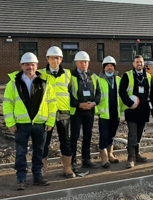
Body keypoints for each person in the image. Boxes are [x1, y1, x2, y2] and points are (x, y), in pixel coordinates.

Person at [3, 53, 57, 190]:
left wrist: (50, 122)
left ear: (37, 66)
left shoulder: (45, 82)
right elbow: (8, 104)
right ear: (22, 66)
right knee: (21, 152)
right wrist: (10, 123)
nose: (30, 67)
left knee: (39, 151)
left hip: (40, 124)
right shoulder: (14, 83)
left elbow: (52, 103)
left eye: (32, 64)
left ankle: (38, 177)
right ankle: (21, 179)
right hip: (21, 125)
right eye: (27, 64)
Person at [40, 46, 75, 179]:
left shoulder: (67, 74)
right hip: (46, 113)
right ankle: (42, 170)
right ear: (48, 59)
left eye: (58, 57)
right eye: (53, 57)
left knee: (65, 141)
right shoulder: (41, 74)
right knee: (44, 142)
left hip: (63, 113)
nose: (56, 60)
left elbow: (71, 92)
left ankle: (67, 168)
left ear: (61, 59)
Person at [119, 55, 153, 168]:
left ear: (144, 63)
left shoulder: (148, 76)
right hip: (132, 110)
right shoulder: (127, 75)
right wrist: (130, 104)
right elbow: (122, 92)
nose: (139, 64)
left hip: (144, 110)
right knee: (132, 133)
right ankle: (130, 157)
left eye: (141, 62)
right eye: (137, 62)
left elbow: (151, 93)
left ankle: (137, 153)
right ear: (133, 64)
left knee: (139, 133)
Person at [69, 51, 101, 170]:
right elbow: (67, 94)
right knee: (74, 136)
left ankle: (86, 160)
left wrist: (93, 103)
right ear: (76, 63)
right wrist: (79, 105)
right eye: (81, 62)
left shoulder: (93, 76)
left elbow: (98, 92)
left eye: (86, 62)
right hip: (76, 111)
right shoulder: (70, 76)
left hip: (89, 111)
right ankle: (72, 161)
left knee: (88, 135)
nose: (84, 64)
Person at [97, 56, 123, 168]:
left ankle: (110, 154)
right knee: (104, 135)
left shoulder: (118, 80)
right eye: (107, 65)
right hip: (104, 113)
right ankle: (104, 158)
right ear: (104, 67)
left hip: (115, 113)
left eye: (111, 66)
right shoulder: (98, 80)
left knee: (112, 135)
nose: (109, 68)